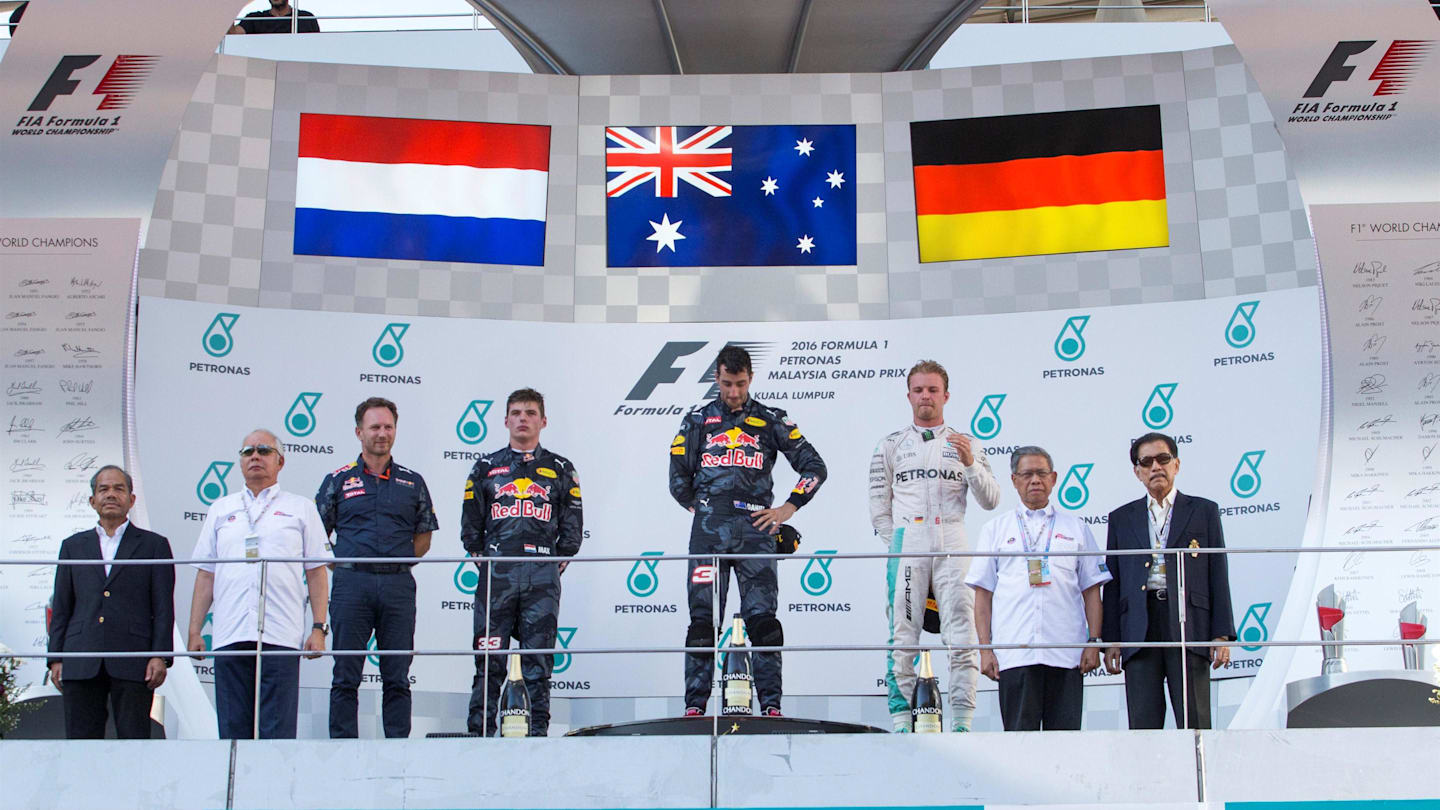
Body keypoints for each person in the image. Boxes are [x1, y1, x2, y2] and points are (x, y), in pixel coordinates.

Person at [669, 345, 827, 717]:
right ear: (716, 378)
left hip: (757, 531)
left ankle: (771, 705)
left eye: (740, 384)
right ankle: (695, 707)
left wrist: (788, 508)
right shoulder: (697, 420)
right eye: (727, 383)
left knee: (764, 623)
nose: (734, 392)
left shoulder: (772, 419)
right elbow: (677, 477)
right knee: (703, 624)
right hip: (708, 533)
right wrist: (706, 510)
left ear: (751, 378)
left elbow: (815, 468)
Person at [869, 359, 999, 732]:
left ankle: (962, 722)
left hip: (953, 540)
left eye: (933, 390)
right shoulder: (891, 445)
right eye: (919, 390)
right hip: (908, 542)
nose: (926, 396)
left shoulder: (967, 443)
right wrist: (898, 544)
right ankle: (901, 722)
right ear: (909, 395)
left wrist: (971, 464)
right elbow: (879, 508)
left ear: (946, 396)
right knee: (902, 636)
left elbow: (991, 500)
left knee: (962, 634)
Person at [187, 429, 331, 739]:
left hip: (280, 633)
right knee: (232, 732)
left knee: (277, 733)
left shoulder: (301, 507)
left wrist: (318, 628)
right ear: (240, 462)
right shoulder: (220, 509)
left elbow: (317, 572)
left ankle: (274, 788)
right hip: (230, 632)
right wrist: (195, 631)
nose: (255, 456)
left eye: (264, 450)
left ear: (280, 461)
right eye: (247, 451)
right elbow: (206, 574)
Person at [461, 389, 582, 736]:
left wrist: (561, 555)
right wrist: (481, 557)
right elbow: (471, 522)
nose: (523, 418)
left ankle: (537, 737)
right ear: (505, 421)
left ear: (543, 421)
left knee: (538, 664)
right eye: (516, 412)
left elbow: (573, 521)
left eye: (530, 412)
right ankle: (479, 736)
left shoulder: (561, 467)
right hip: (497, 575)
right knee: (488, 662)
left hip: (541, 575)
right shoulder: (485, 467)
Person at [316, 397, 437, 739]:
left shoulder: (413, 481)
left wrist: (394, 564)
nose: (382, 433)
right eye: (374, 427)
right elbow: (316, 537)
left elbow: (424, 537)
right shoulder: (337, 480)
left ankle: (397, 751)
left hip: (398, 587)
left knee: (397, 676)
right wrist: (345, 566)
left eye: (388, 427)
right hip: (351, 585)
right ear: (359, 432)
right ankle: (341, 750)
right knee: (345, 675)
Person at [966, 447, 1110, 731]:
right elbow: (982, 596)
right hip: (1014, 655)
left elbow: (1092, 591)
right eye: (1027, 474)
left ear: (1054, 478)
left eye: (1042, 473)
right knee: (1019, 744)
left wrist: (1094, 642)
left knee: (1065, 744)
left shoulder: (1077, 528)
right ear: (1014, 480)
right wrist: (985, 650)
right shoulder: (995, 529)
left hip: (1066, 655)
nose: (1035, 480)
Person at [1102, 432, 1235, 729]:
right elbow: (1114, 583)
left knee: (1195, 723)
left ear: (1176, 464)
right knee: (1143, 725)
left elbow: (1217, 573)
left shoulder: (1203, 511)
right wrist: (1111, 639)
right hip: (1138, 627)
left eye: (1163, 459)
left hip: (1190, 625)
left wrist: (1221, 634)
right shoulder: (1121, 518)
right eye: (1146, 462)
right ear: (1137, 472)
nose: (1155, 467)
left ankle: (1199, 775)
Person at [47, 465, 174, 739]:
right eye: (103, 489)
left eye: (119, 488)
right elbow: (62, 607)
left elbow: (163, 607)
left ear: (132, 499)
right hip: (81, 657)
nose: (111, 495)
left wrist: (159, 655)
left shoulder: (154, 545)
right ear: (92, 501)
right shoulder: (73, 546)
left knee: (134, 742)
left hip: (133, 658)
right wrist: (55, 657)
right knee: (81, 743)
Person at [229, 0, 320, 34]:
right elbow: (232, 33)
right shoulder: (254, 18)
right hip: (261, 70)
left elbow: (318, 46)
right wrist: (235, 4)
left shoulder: (306, 18)